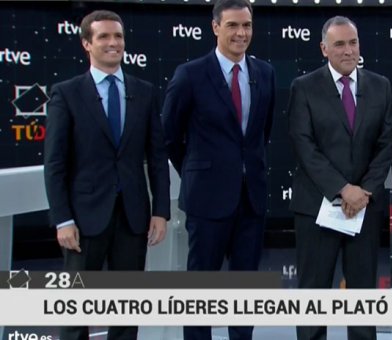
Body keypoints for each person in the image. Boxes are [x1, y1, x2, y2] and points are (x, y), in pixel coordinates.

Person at [44, 9, 170, 340]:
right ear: (87, 43)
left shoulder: (144, 91)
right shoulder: (67, 93)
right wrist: (62, 219)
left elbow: (156, 156)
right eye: (104, 36)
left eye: (118, 36)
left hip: (132, 215)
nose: (113, 43)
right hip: (83, 219)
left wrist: (160, 211)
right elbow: (55, 163)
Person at [161, 0, 275, 338]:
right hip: (206, 198)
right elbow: (170, 135)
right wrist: (199, 171)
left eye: (247, 26)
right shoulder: (190, 74)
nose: (241, 33)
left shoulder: (264, 73)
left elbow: (261, 134)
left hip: (251, 198)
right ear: (215, 27)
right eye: (233, 26)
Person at [287, 15, 392, 340]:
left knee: (362, 297)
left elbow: (386, 143)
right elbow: (303, 145)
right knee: (313, 295)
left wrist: (363, 191)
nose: (348, 50)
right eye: (339, 44)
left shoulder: (380, 85)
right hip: (316, 207)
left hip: (363, 208)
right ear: (324, 48)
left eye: (353, 42)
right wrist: (342, 188)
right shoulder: (304, 87)